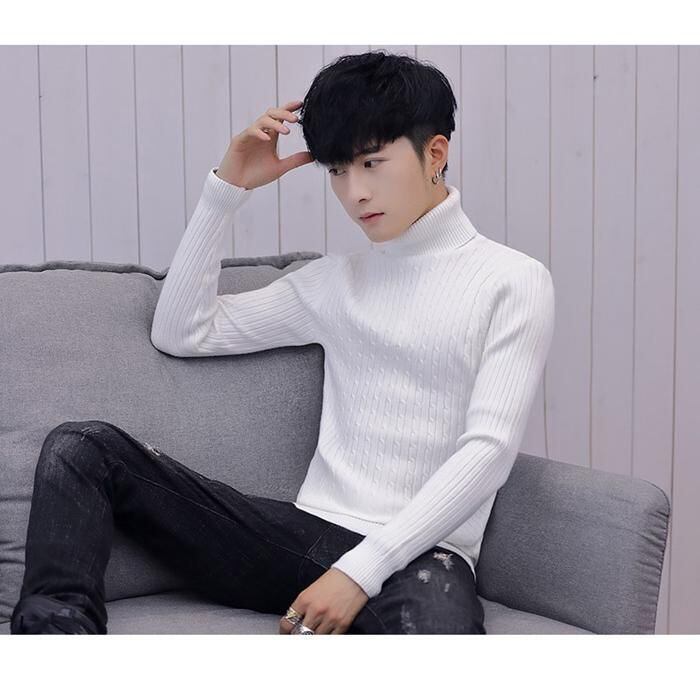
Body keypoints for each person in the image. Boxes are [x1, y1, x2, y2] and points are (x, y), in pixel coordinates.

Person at [11, 50, 554, 635]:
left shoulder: (513, 281)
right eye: (338, 171)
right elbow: (182, 331)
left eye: (372, 163)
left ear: (435, 154)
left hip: (422, 557)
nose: (354, 192)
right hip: (301, 539)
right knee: (81, 449)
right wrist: (226, 189)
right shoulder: (333, 282)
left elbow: (488, 451)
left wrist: (358, 573)